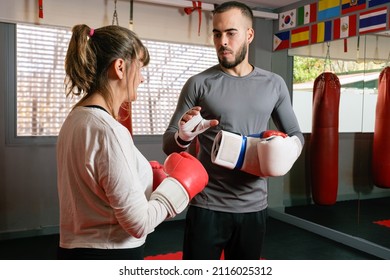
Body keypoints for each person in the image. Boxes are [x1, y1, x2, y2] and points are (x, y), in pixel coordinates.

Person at [162, 1, 304, 260]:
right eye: (217, 34)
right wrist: (184, 136)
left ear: (249, 35)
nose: (222, 41)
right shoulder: (199, 84)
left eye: (230, 33)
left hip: (253, 208)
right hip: (207, 206)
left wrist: (284, 154)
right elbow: (168, 145)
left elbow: (296, 134)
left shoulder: (274, 84)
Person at [57, 24, 208, 260]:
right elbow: (139, 223)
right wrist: (180, 187)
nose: (141, 77)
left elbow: (96, 188)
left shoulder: (76, 118)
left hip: (76, 250)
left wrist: (144, 178)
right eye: (139, 66)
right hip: (109, 254)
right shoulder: (109, 131)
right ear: (120, 67)